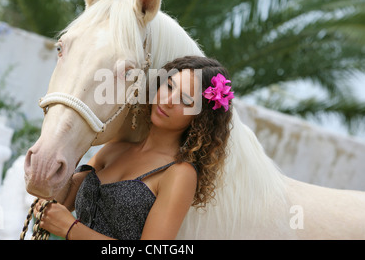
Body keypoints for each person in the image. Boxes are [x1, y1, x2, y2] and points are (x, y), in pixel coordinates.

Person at [33, 56, 234, 240]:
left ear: (200, 118)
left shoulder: (180, 173)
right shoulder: (116, 148)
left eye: (185, 100)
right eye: (170, 86)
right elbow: (63, 199)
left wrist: (71, 229)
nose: (168, 100)